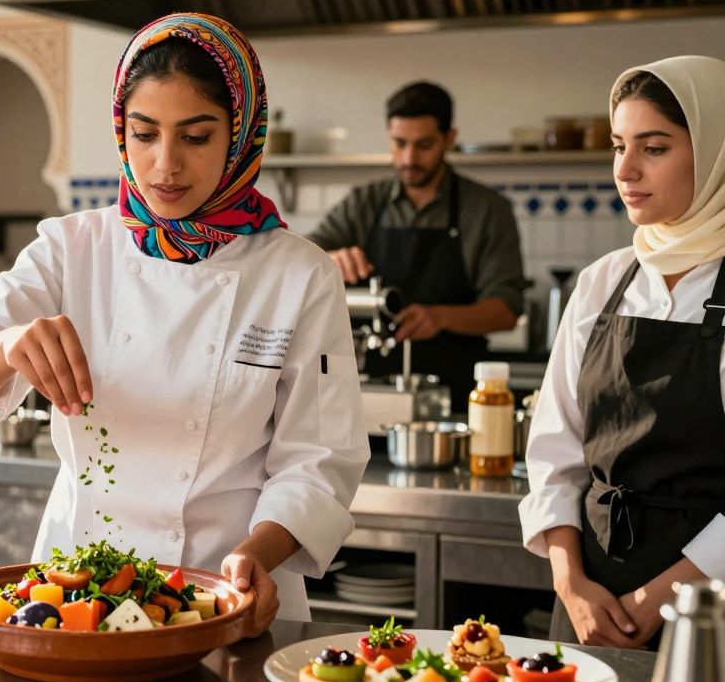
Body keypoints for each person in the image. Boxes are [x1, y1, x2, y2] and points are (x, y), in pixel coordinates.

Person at [0, 13, 368, 635]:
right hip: (74, 596)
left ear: (240, 135)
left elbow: (319, 459)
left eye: (196, 136)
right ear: (121, 130)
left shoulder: (299, 274)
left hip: (224, 596)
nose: (165, 165)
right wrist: (5, 344)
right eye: (144, 133)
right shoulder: (71, 248)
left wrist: (256, 556)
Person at [519, 56, 725, 648]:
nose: (625, 170)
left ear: (713, 151)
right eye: (618, 146)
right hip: (591, 604)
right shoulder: (603, 281)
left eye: (653, 148)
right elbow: (554, 453)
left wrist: (655, 601)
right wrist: (571, 582)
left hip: (707, 607)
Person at [304, 82, 525, 409]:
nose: (409, 158)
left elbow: (506, 310)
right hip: (362, 393)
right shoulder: (364, 203)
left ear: (449, 139)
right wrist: (330, 258)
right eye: (399, 143)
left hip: (455, 396)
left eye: (424, 145)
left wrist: (439, 317)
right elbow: (299, 259)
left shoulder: (487, 210)